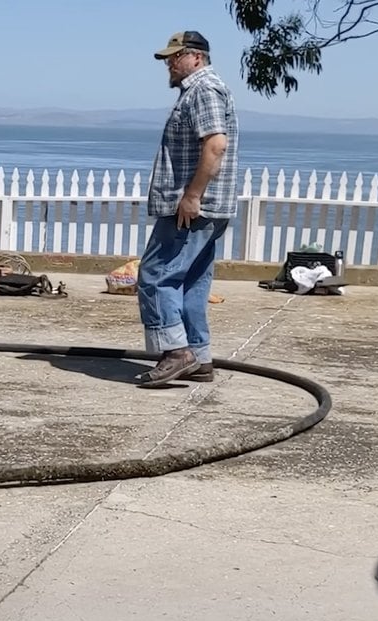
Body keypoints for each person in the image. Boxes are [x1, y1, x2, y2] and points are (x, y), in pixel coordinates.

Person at [136, 31, 239, 388]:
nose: (169, 64)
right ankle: (199, 356)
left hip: (193, 206)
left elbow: (215, 145)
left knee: (156, 274)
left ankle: (175, 352)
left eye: (175, 57)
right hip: (205, 206)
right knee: (192, 281)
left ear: (196, 57)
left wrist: (192, 196)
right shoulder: (199, 90)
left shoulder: (203, 90)